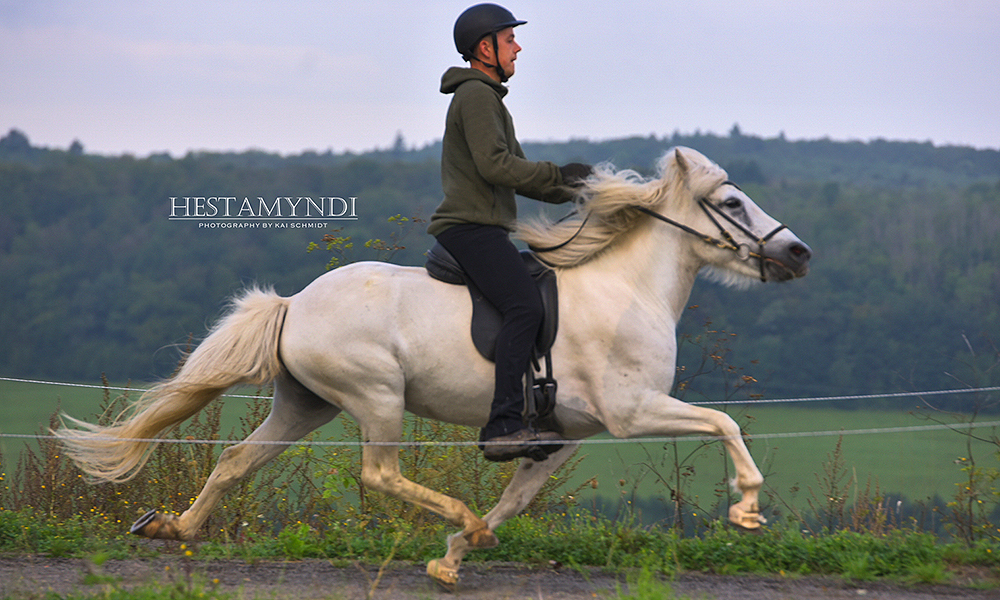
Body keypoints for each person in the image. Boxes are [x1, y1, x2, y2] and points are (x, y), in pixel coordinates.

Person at [427, 3, 592, 462]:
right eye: (509, 39)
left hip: (486, 229)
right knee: (524, 307)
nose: (518, 47)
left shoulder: (489, 97)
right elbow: (496, 166)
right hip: (471, 230)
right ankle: (503, 425)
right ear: (486, 47)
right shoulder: (476, 96)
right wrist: (560, 174)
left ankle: (533, 412)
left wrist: (574, 189)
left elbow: (517, 173)